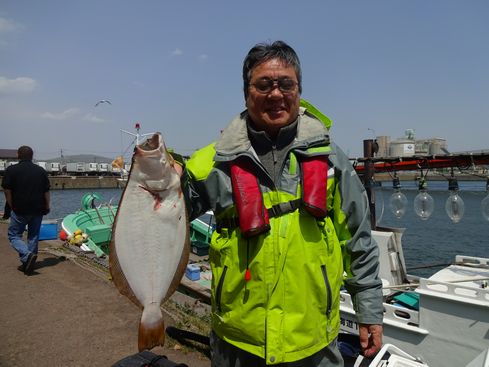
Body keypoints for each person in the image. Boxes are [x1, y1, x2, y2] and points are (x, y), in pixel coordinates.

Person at [180, 41, 383, 366]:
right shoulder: (210, 165)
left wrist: (369, 309)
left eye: (286, 84)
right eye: (264, 85)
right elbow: (161, 226)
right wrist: (156, 178)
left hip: (313, 342)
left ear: (299, 91)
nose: (276, 94)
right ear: (246, 93)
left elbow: (358, 241)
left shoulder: (331, 159)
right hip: (237, 343)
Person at [2, 146, 50, 275]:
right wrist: (47, 206)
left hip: (20, 209)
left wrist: (11, 206)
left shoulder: (11, 170)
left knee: (14, 235)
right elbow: (46, 191)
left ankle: (27, 255)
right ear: (32, 156)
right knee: (33, 236)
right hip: (38, 209)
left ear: (18, 155)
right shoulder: (40, 171)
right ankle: (28, 264)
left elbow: (7, 191)